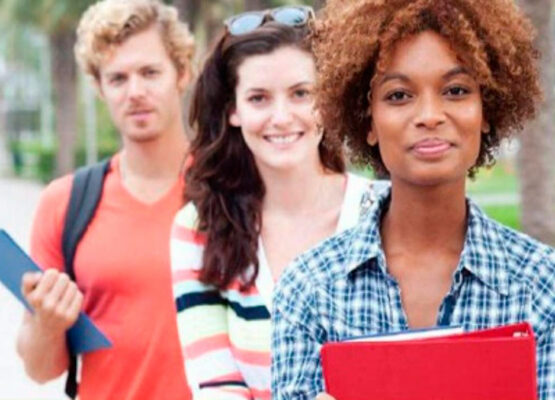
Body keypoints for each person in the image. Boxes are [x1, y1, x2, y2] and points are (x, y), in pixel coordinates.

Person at [271, 0, 555, 399]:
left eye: (456, 90)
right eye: (399, 95)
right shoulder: (310, 290)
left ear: (485, 110)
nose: (430, 115)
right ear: (368, 120)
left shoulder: (542, 285)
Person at [170, 6, 380, 399]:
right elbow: (216, 387)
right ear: (233, 110)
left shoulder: (385, 212)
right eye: (259, 98)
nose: (281, 117)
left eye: (301, 93)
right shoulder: (200, 227)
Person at [16, 0, 195, 399]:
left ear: (182, 73)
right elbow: (41, 369)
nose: (136, 92)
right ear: (99, 88)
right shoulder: (65, 203)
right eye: (117, 79)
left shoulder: (230, 189)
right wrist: (47, 323)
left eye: (150, 72)